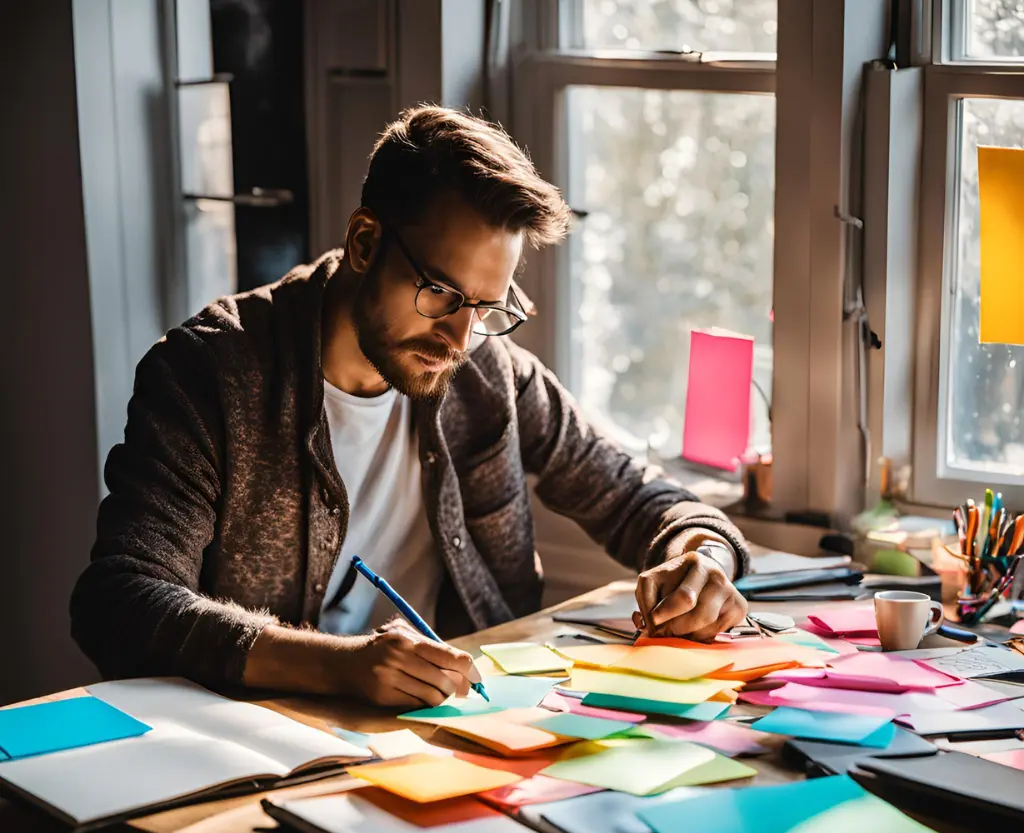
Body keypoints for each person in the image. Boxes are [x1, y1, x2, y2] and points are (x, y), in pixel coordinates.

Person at [71, 105, 750, 706]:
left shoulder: (488, 373)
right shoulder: (210, 375)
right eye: (441, 294)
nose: (458, 337)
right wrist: (338, 667)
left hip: (461, 736)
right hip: (269, 747)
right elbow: (121, 601)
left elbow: (643, 500)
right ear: (365, 242)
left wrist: (703, 559)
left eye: (486, 307)